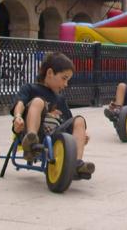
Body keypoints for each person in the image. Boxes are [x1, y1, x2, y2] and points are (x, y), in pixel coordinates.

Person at [11, 52, 94, 180]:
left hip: (54, 137)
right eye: (64, 78)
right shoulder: (30, 88)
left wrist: (81, 135)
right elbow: (20, 103)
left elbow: (70, 122)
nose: (66, 84)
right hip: (35, 132)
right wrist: (17, 117)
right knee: (38, 102)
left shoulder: (60, 99)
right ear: (50, 73)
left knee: (79, 120)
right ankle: (31, 142)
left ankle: (76, 163)